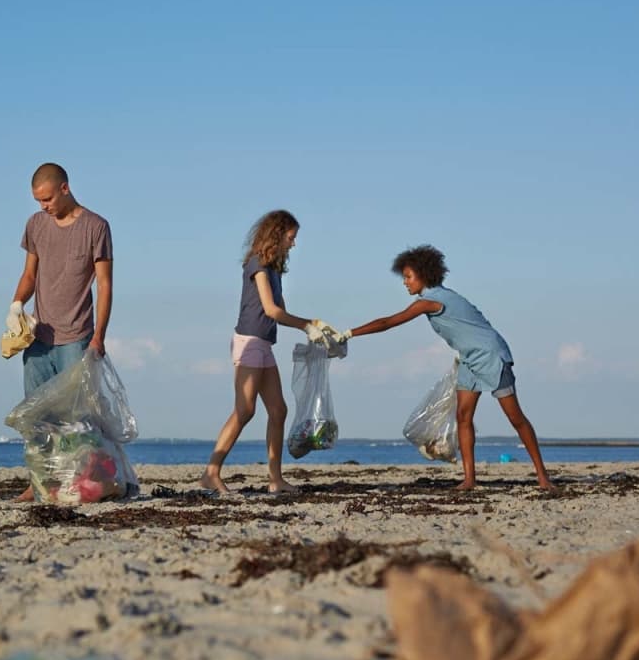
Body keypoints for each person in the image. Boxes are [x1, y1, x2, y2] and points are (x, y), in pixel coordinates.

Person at [338, 244, 555, 490]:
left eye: (408, 277)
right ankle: (469, 479)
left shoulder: (431, 301)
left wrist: (348, 333)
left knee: (515, 418)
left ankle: (543, 476)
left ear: (424, 275)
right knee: (463, 416)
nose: (405, 282)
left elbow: (388, 322)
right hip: (469, 359)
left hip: (492, 356)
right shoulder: (435, 297)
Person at [199, 210, 345, 494]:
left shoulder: (274, 270)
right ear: (277, 235)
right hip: (248, 342)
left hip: (263, 343)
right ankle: (211, 473)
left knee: (278, 410)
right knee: (245, 410)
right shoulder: (257, 264)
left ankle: (275, 479)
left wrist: (315, 325)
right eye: (291, 237)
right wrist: (307, 326)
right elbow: (270, 310)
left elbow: (282, 313)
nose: (294, 243)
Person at [5, 163, 113, 502]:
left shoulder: (96, 226)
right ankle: (39, 480)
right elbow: (29, 274)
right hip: (39, 338)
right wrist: (16, 305)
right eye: (38, 200)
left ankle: (79, 481)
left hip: (77, 337)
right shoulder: (36, 224)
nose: (43, 206)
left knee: (77, 418)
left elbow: (105, 285)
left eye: (48, 199)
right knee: (36, 416)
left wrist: (99, 336)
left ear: (65, 188)